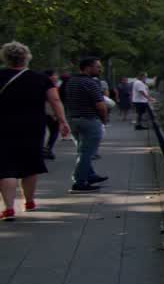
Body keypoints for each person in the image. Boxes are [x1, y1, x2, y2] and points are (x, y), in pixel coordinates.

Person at [1, 42, 70, 218]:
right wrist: (62, 121)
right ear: (27, 57)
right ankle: (29, 201)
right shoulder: (41, 78)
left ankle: (8, 208)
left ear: (5, 58)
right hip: (32, 126)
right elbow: (55, 100)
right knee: (30, 164)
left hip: (3, 126)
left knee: (5, 167)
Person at [63, 57, 110, 192]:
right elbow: (101, 105)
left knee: (82, 150)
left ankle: (90, 175)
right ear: (88, 67)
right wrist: (104, 119)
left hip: (73, 119)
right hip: (89, 120)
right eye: (98, 67)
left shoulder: (71, 81)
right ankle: (80, 182)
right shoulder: (91, 83)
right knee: (87, 153)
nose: (100, 69)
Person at [42, 70, 60, 159]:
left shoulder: (40, 84)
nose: (57, 77)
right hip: (49, 112)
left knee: (45, 132)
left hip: (43, 112)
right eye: (55, 75)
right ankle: (47, 149)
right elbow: (53, 100)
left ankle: (45, 149)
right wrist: (55, 114)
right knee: (54, 131)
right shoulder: (50, 86)